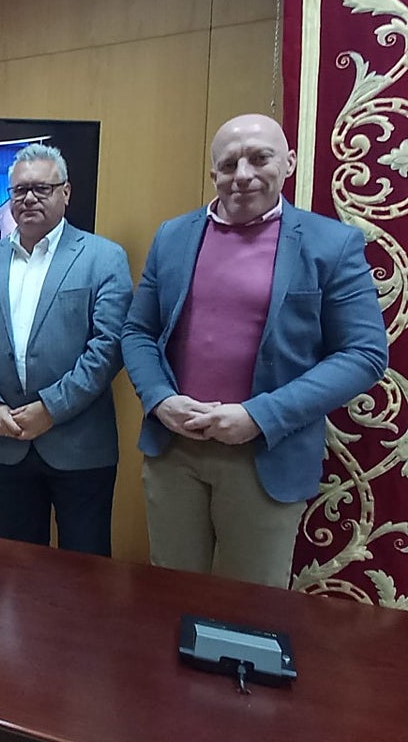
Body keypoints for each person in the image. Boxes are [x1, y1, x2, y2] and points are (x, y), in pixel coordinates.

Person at [121, 113, 388, 588]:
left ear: (288, 162)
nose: (243, 173)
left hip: (267, 455)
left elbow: (364, 354)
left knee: (249, 606)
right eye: (229, 163)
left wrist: (259, 417)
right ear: (214, 175)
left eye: (259, 158)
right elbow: (138, 332)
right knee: (169, 594)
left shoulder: (333, 244)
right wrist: (160, 399)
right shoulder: (173, 237)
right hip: (175, 454)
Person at [0, 143, 132, 556]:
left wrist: (50, 408)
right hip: (4, 439)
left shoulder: (103, 258)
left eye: (42, 188)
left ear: (66, 193)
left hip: (80, 446)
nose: (28, 198)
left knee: (83, 574)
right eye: (19, 191)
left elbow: (109, 347)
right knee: (16, 570)